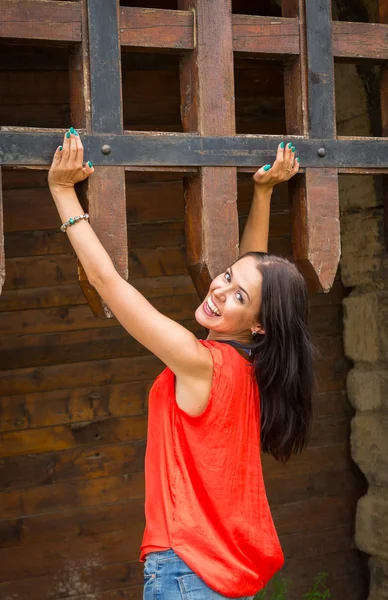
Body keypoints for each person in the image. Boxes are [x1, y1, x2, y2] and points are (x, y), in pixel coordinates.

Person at [48, 131, 315, 600]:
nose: (218, 290)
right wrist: (264, 192)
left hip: (185, 573)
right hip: (224, 576)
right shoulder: (257, 370)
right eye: (226, 277)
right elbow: (255, 277)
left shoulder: (200, 364)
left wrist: (62, 191)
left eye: (236, 297)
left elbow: (108, 283)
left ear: (257, 327)